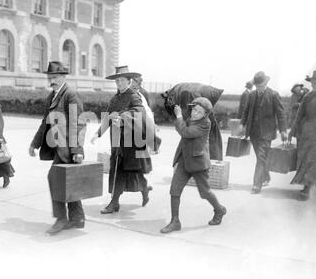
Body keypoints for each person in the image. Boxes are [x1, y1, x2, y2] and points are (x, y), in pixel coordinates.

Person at [29, 61, 86, 235]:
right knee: (68, 181)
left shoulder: (70, 94)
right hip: (58, 145)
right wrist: (35, 143)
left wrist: (77, 151)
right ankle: (77, 218)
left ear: (63, 77)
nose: (51, 80)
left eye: (54, 77)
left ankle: (61, 219)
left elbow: (78, 123)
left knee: (55, 179)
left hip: (68, 147)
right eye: (50, 77)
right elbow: (44, 122)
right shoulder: (52, 96)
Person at [91, 66, 153, 213]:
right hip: (117, 140)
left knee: (133, 171)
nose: (119, 83)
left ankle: (143, 190)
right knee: (118, 169)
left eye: (121, 80)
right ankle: (115, 202)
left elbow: (140, 112)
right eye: (117, 80)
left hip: (132, 140)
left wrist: (122, 117)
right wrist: (97, 133)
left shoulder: (134, 96)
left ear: (128, 81)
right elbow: (107, 118)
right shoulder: (114, 99)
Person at [160, 97, 227, 233]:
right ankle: (175, 221)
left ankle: (219, 210)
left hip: (198, 164)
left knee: (204, 193)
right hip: (184, 160)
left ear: (205, 115)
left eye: (199, 112)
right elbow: (182, 123)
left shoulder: (205, 124)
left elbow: (185, 132)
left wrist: (179, 116)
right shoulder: (192, 119)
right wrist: (172, 107)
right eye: (194, 109)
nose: (195, 113)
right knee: (174, 190)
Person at [240, 71, 287, 194]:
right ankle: (265, 176)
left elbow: (281, 114)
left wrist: (283, 130)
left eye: (261, 86)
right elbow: (246, 111)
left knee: (261, 158)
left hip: (266, 132)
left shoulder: (273, 95)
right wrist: (242, 124)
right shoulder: (252, 95)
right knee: (260, 157)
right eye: (257, 86)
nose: (259, 89)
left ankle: (257, 185)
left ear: (265, 84)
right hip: (253, 132)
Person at [289, 71, 316, 200]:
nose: (313, 83)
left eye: (315, 81)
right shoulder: (308, 96)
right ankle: (307, 187)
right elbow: (299, 115)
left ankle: (312, 184)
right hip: (308, 132)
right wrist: (291, 131)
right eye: (312, 81)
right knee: (308, 159)